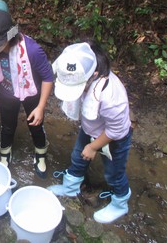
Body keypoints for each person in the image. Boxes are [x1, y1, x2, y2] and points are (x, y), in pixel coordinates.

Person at [47, 42, 133, 224]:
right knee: (78, 156)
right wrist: (88, 143)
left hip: (114, 138)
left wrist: (93, 147)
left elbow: (116, 130)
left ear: (93, 74)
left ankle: (120, 203)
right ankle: (70, 188)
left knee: (114, 173)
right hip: (90, 129)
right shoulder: (82, 73)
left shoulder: (111, 97)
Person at [0, 10, 54, 178]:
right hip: (7, 93)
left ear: (8, 37)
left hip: (31, 93)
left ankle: (40, 154)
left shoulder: (32, 51)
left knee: (36, 126)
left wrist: (41, 106)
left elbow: (48, 77)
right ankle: (5, 153)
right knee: (7, 125)